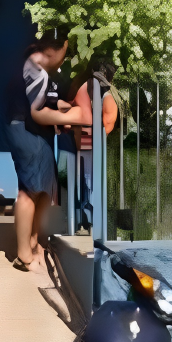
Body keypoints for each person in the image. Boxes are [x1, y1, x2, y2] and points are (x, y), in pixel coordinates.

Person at [2, 32, 89, 272]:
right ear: (59, 49)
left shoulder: (37, 66)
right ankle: (24, 256)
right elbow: (37, 111)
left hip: (30, 132)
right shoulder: (36, 69)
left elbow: (46, 102)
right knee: (29, 192)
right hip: (26, 131)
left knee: (41, 190)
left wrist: (63, 108)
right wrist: (75, 115)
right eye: (66, 52)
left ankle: (32, 243)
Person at [70, 55, 118, 233]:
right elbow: (107, 121)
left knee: (85, 181)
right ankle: (88, 220)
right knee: (89, 182)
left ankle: (86, 219)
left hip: (86, 142)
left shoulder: (88, 87)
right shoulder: (101, 91)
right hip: (90, 143)